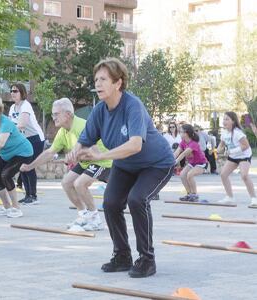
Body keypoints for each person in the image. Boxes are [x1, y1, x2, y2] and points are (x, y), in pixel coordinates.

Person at [66, 58, 175, 278]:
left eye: (103, 79)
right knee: (111, 202)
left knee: (137, 199)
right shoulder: (99, 111)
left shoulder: (132, 105)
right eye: (96, 79)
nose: (98, 83)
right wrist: (75, 151)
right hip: (126, 165)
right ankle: (122, 255)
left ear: (118, 83)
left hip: (156, 163)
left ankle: (146, 259)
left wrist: (102, 155)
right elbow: (85, 139)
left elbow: (135, 145)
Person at [20, 98, 111, 231]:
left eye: (56, 114)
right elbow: (49, 153)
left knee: (79, 184)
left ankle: (95, 220)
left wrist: (76, 156)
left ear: (68, 114)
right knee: (66, 183)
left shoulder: (81, 126)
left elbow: (95, 152)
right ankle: (83, 215)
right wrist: (30, 166)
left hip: (103, 161)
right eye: (52, 114)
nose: (53, 117)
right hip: (86, 162)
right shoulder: (63, 131)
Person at [8, 83, 45, 205]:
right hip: (23, 140)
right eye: (11, 91)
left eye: (15, 91)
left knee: (29, 165)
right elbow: (9, 125)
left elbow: (22, 124)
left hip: (35, 138)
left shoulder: (26, 105)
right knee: (21, 167)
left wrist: (9, 131)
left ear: (22, 93)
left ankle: (33, 196)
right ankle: (27, 195)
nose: (12, 93)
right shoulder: (12, 108)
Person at [218, 112, 256, 206]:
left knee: (244, 176)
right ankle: (230, 197)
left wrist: (231, 151)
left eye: (227, 119)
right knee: (223, 174)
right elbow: (221, 145)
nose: (224, 121)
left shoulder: (238, 133)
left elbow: (246, 146)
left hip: (244, 156)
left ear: (233, 121)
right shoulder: (224, 133)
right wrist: (218, 150)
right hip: (233, 157)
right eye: (224, 119)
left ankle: (254, 199)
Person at [174, 124, 207, 202]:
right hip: (192, 163)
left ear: (186, 133)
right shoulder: (183, 142)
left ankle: (194, 194)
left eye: (181, 132)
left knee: (190, 175)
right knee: (182, 175)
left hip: (201, 163)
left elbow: (184, 153)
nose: (179, 133)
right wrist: (171, 159)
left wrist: (175, 162)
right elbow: (177, 152)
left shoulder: (193, 144)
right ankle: (189, 194)